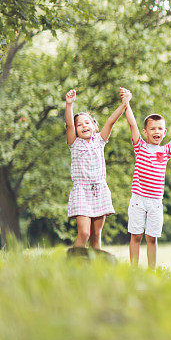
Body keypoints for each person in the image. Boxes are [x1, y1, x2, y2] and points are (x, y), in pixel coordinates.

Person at [121, 88, 171, 268]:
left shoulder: (165, 151)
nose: (156, 132)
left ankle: (152, 271)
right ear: (145, 132)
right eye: (152, 129)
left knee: (152, 238)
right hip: (138, 200)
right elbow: (132, 124)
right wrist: (126, 102)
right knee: (135, 236)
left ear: (165, 132)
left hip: (155, 202)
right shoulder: (140, 147)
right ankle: (133, 270)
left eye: (160, 129)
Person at [64, 88, 128, 250]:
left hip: (99, 190)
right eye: (80, 124)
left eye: (87, 122)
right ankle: (73, 264)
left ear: (94, 125)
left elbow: (111, 121)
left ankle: (94, 269)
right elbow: (69, 125)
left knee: (96, 236)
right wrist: (69, 104)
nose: (83, 126)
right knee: (84, 233)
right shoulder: (74, 143)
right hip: (81, 191)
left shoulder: (99, 140)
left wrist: (124, 103)